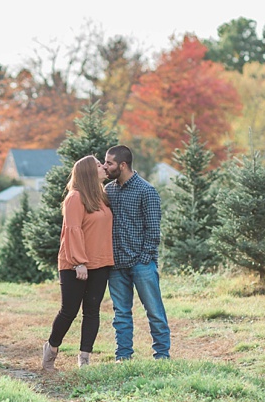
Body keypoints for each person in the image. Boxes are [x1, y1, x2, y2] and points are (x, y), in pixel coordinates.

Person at [42, 155, 114, 371]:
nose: (103, 167)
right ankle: (51, 349)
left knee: (92, 311)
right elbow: (72, 231)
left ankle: (84, 358)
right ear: (88, 172)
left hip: (101, 263)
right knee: (69, 310)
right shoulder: (75, 197)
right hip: (75, 264)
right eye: (99, 165)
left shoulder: (101, 196)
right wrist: (79, 263)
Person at [103, 145, 171, 361]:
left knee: (154, 312)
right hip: (116, 265)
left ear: (122, 165)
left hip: (141, 265)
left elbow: (153, 231)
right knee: (121, 315)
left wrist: (143, 259)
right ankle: (123, 357)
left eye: (109, 163)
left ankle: (162, 356)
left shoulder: (146, 191)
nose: (105, 166)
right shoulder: (108, 190)